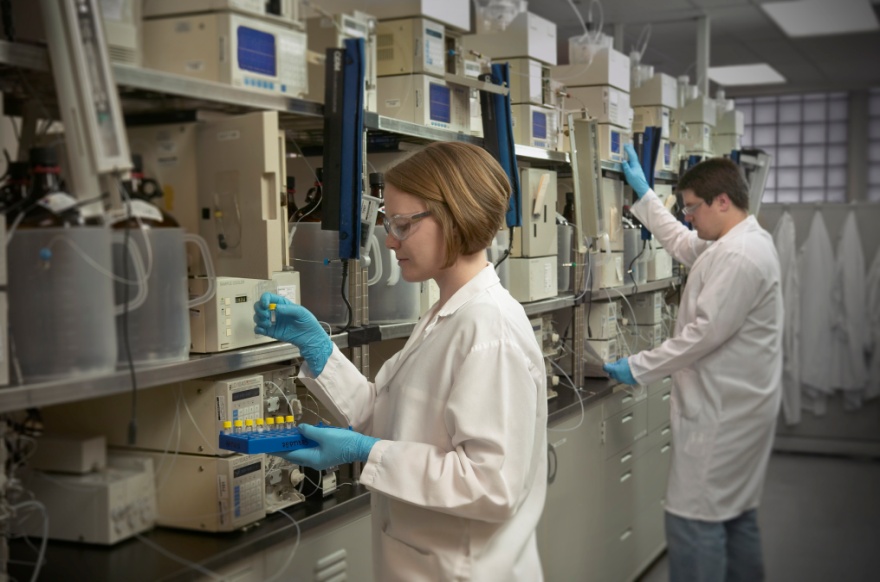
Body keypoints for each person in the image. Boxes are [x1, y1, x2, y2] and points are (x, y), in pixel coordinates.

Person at [254, 142, 548, 581]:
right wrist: (318, 347)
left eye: (402, 224)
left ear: (455, 215)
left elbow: (492, 486)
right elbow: (393, 417)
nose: (389, 240)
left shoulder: (490, 329)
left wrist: (366, 451)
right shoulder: (447, 313)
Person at [604, 145, 783, 582]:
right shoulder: (734, 242)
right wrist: (646, 197)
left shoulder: (739, 256)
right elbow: (684, 243)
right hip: (737, 409)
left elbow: (701, 336)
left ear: (723, 201)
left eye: (692, 208)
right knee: (736, 516)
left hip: (724, 416)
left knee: (693, 522)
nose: (688, 217)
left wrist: (638, 366)